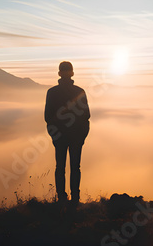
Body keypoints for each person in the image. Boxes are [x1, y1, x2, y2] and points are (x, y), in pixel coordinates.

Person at [44, 61, 90, 205]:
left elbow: (48, 117)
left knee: (60, 167)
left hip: (60, 136)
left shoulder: (52, 92)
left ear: (59, 73)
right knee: (75, 167)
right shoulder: (79, 91)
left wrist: (54, 135)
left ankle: (62, 199)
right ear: (72, 73)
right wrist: (82, 135)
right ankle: (75, 199)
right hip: (76, 136)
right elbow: (86, 115)